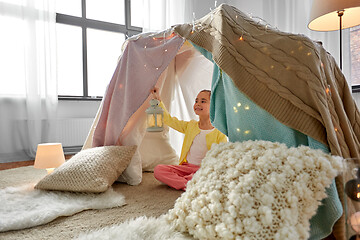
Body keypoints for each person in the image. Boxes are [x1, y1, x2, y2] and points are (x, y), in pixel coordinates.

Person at [150, 87, 227, 190]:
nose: (198, 103)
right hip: (185, 167)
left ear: (213, 106)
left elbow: (221, 156)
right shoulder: (191, 126)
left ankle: (188, 181)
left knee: (212, 176)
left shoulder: (219, 133)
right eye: (196, 101)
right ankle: (189, 184)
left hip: (203, 169)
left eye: (203, 101)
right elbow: (169, 120)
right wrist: (158, 100)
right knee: (158, 170)